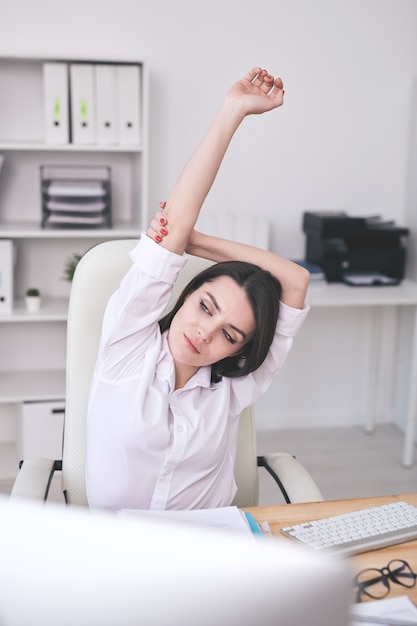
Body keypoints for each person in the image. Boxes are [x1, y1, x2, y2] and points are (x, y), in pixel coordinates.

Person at [86, 67, 310, 511]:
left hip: (214, 551)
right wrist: (233, 110)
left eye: (230, 334)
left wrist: (200, 243)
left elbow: (295, 280)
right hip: (116, 557)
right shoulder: (127, 347)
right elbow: (176, 220)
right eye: (206, 307)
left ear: (238, 351)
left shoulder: (235, 386)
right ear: (185, 295)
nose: (207, 334)